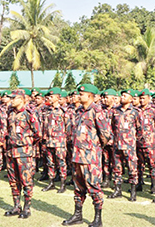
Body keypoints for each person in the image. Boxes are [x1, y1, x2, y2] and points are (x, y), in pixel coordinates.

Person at [62, 84, 111, 227]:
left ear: (89, 96)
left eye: (81, 94)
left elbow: (105, 135)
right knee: (78, 188)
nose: (78, 96)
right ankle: (77, 215)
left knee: (94, 187)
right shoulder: (78, 111)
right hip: (77, 156)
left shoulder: (97, 111)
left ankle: (97, 219)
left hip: (90, 158)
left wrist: (94, 148)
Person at [3, 89, 41, 219]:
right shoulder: (10, 113)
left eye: (14, 98)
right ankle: (16, 206)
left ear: (21, 99)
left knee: (26, 181)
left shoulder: (29, 113)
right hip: (11, 152)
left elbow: (38, 134)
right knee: (13, 181)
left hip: (24, 153)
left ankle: (27, 207)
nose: (11, 100)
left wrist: (26, 144)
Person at [41, 88, 68, 193]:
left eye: (52, 96)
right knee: (50, 163)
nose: (49, 98)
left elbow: (68, 127)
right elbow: (44, 126)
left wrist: (66, 139)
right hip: (49, 141)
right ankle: (51, 182)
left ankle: (62, 184)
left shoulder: (62, 111)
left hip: (59, 142)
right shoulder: (47, 111)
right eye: (49, 96)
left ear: (58, 97)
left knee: (61, 163)